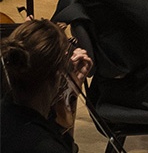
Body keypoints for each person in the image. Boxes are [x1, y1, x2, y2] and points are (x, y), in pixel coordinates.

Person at [0, 18, 94, 153]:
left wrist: (69, 93)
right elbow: (66, 147)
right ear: (57, 75)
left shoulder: (7, 112)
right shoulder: (46, 146)